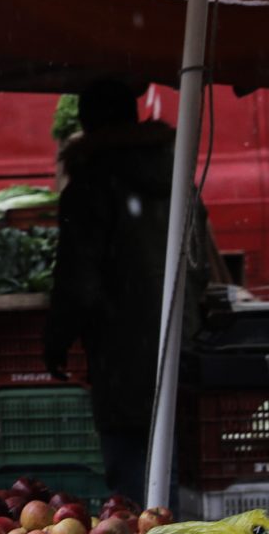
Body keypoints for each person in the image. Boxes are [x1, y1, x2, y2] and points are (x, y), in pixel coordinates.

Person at [47, 79, 215, 500]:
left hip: (120, 342)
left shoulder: (90, 183)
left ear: (87, 122)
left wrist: (57, 340)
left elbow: (77, 279)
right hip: (178, 332)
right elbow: (200, 262)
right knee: (166, 450)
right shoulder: (175, 176)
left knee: (129, 469)